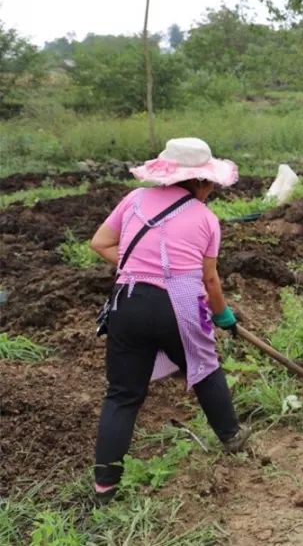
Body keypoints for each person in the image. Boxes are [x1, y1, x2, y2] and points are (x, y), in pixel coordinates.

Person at [88, 137, 249, 505]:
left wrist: (137, 268)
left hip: (127, 302)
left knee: (122, 395)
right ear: (199, 181)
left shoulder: (134, 200)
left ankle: (105, 487)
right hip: (180, 304)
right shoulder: (206, 219)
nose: (211, 190)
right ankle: (231, 436)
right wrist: (223, 315)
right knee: (205, 369)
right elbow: (209, 280)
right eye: (210, 183)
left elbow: (100, 242)